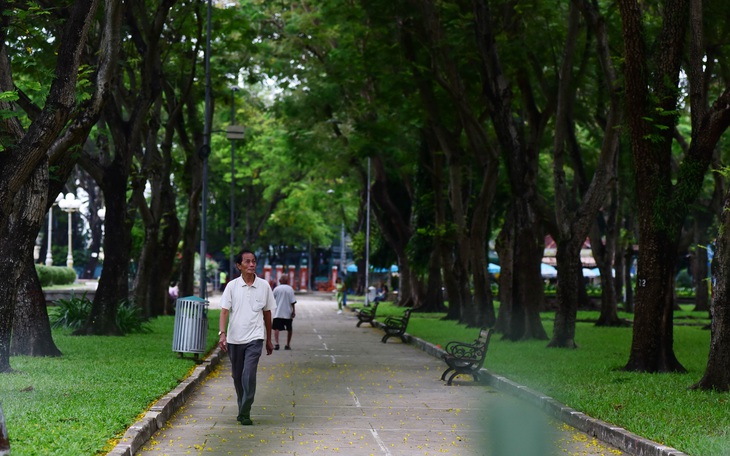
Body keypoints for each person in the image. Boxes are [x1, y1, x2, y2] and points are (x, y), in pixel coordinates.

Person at [218, 249, 276, 426]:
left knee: (248, 374)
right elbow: (224, 311)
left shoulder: (264, 286)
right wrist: (222, 334)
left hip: (255, 337)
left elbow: (267, 314)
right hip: (235, 339)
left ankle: (245, 410)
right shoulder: (232, 286)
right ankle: (242, 409)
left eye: (254, 261)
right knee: (237, 376)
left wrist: (268, 338)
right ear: (239, 266)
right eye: (247, 262)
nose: (252, 265)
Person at [272, 274, 296, 350]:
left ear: (280, 281)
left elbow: (271, 300)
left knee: (276, 328)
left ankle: (277, 344)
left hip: (278, 312)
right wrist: (293, 311)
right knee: (289, 329)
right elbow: (293, 301)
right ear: (287, 281)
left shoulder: (276, 289)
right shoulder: (290, 289)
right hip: (287, 313)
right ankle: (288, 344)